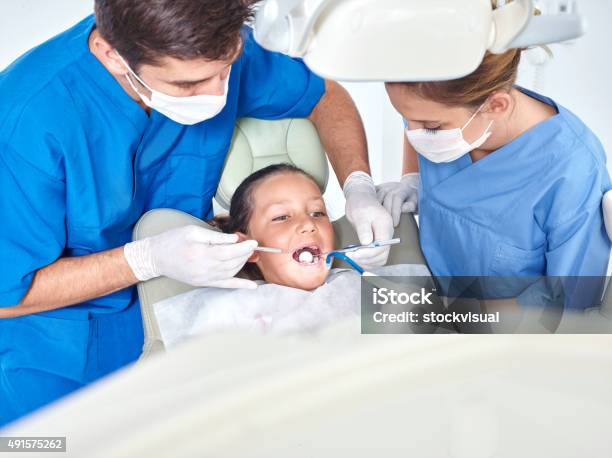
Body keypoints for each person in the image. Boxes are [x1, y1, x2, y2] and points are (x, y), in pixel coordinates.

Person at [0, 0, 393, 426]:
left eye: (317, 211)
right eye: (279, 217)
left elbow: (468, 314)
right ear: (247, 244)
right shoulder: (25, 122)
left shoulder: (367, 284)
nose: (216, 94)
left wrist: (359, 186)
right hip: (52, 360)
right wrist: (144, 260)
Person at [378, 33, 611, 306]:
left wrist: (464, 318)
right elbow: (416, 120)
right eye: (406, 118)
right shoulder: (437, 110)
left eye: (430, 126)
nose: (414, 133)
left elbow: (572, 304)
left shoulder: (572, 171)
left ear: (496, 105)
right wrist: (411, 178)